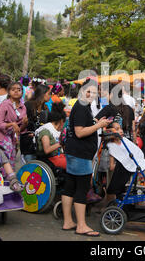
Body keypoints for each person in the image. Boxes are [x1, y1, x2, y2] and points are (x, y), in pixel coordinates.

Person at [61, 78, 111, 236]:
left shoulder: (81, 105)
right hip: (80, 154)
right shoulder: (82, 106)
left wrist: (95, 121)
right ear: (82, 91)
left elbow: (82, 125)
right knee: (82, 189)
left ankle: (68, 221)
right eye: (88, 91)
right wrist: (99, 126)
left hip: (74, 152)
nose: (91, 94)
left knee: (70, 186)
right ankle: (81, 225)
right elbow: (80, 132)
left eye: (94, 92)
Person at [0, 82, 28, 168]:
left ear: (22, 92)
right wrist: (11, 124)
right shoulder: (5, 104)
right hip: (1, 136)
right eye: (13, 89)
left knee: (11, 160)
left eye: (19, 90)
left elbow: (19, 129)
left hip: (13, 138)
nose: (16, 91)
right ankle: (1, 179)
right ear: (9, 92)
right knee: (3, 161)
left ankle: (9, 180)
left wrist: (25, 124)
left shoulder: (23, 107)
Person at [21, 84, 51, 162]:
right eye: (49, 93)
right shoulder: (28, 105)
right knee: (29, 171)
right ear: (42, 94)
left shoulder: (45, 108)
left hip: (40, 146)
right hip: (28, 145)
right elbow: (22, 126)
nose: (50, 96)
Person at [35, 102, 67, 169]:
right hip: (50, 160)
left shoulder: (57, 131)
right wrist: (60, 143)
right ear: (61, 121)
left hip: (59, 157)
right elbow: (46, 150)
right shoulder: (45, 131)